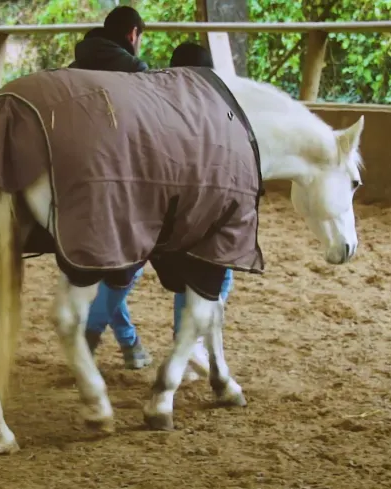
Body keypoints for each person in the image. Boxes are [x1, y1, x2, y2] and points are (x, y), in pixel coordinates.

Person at [71, 6, 152, 370]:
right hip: (117, 176)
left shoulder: (71, 70)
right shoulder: (135, 72)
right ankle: (92, 334)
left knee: (97, 266)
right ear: (132, 34)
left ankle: (129, 341)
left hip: (72, 175)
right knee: (129, 265)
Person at [167, 40, 235, 382]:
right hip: (197, 209)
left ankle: (188, 342)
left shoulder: (159, 101)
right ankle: (190, 344)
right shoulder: (213, 107)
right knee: (213, 276)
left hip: (168, 208)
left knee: (187, 281)